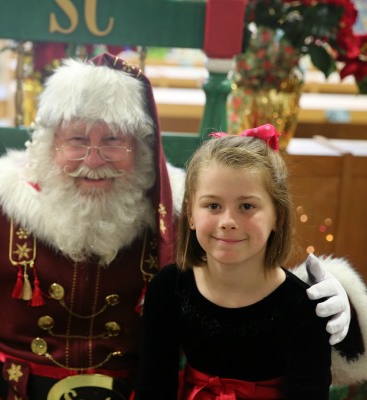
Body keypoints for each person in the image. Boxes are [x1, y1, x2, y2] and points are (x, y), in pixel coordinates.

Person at [0, 53, 367, 400]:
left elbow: (256, 300)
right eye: (77, 139)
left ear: (142, 151)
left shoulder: (189, 218)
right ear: (49, 146)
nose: (92, 159)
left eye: (114, 140)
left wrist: (333, 304)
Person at [135, 129, 332, 399]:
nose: (228, 220)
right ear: (191, 214)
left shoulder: (303, 308)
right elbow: (153, 389)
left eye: (247, 206)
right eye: (213, 206)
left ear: (277, 216)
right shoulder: (170, 287)